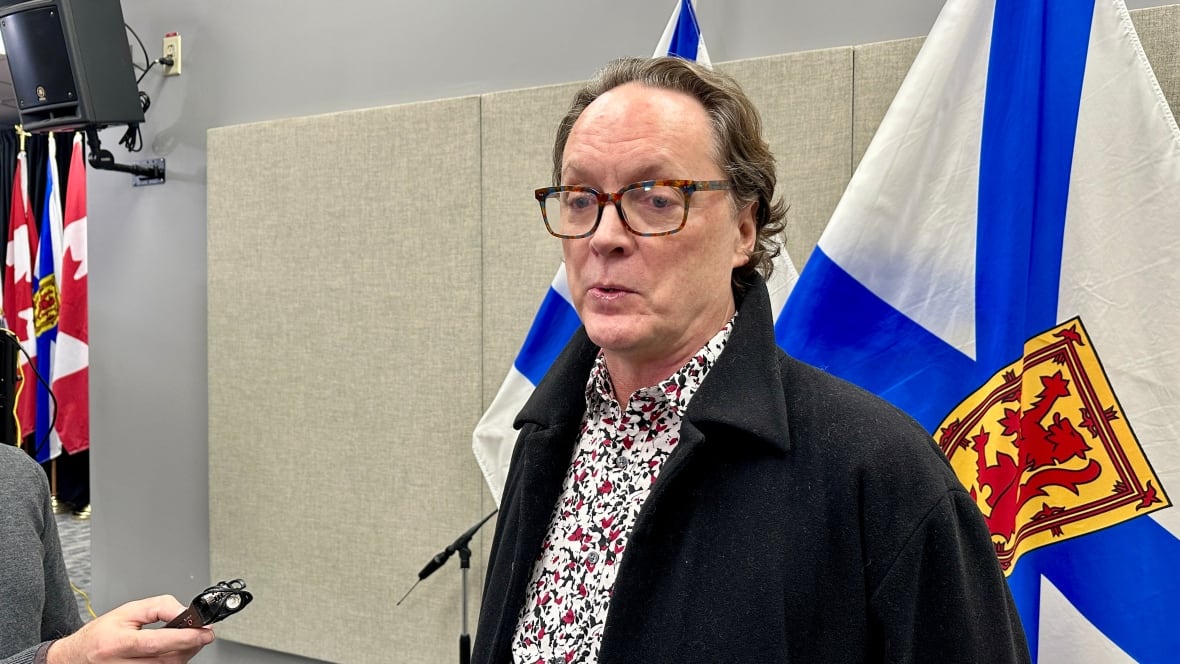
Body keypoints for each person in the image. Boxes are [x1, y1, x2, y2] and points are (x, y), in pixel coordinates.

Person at [471, 56, 1030, 663]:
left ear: (744, 229)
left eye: (656, 199)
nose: (605, 236)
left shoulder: (878, 471)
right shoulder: (543, 438)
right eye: (581, 199)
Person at [0, 443, 214, 664]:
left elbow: (59, 631)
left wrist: (88, 650)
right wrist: (62, 658)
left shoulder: (20, 474)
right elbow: (56, 654)